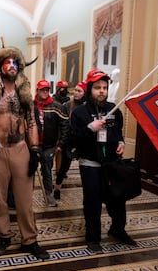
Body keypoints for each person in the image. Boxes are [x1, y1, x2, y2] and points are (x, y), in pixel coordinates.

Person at [0, 38, 49, 260]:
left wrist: (35, 150)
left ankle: (29, 239)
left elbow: (31, 123)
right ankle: (3, 236)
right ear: (0, 66)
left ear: (19, 67)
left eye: (15, 63)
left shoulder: (25, 95)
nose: (11, 66)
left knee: (24, 200)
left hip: (21, 149)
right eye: (7, 62)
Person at [70, 68, 137, 253]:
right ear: (90, 89)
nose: (102, 91)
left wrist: (121, 142)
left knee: (117, 198)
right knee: (93, 201)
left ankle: (118, 230)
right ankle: (93, 238)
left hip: (112, 164)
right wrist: (90, 128)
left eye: (105, 87)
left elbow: (118, 132)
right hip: (90, 164)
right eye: (97, 87)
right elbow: (73, 139)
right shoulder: (80, 113)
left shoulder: (114, 110)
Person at [34, 79, 69, 207]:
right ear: (37, 90)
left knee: (47, 170)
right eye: (42, 89)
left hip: (49, 146)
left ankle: (48, 195)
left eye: (47, 90)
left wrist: (60, 144)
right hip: (34, 145)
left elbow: (65, 125)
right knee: (30, 170)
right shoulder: (32, 106)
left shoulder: (56, 106)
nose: (44, 92)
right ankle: (26, 196)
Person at [54, 81, 86, 199]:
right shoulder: (68, 105)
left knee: (85, 167)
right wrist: (61, 140)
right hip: (69, 140)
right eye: (75, 90)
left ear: (85, 93)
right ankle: (57, 189)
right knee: (64, 167)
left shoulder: (87, 106)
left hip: (82, 140)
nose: (76, 93)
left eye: (79, 91)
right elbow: (63, 124)